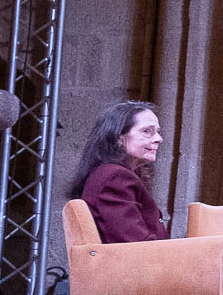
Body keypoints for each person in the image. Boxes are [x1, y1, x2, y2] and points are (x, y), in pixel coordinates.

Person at [66, 99, 170, 244]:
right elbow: (136, 244)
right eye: (147, 131)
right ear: (119, 138)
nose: (159, 139)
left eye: (157, 132)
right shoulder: (115, 178)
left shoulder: (111, 174)